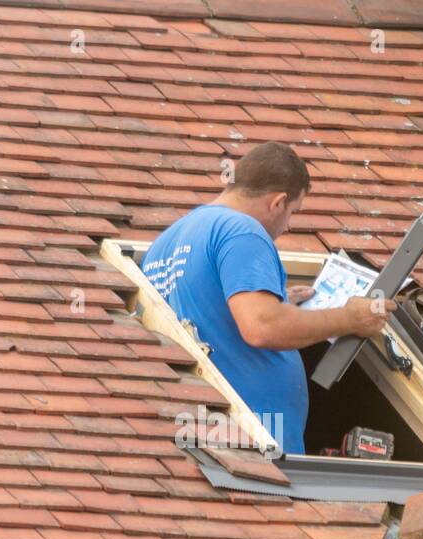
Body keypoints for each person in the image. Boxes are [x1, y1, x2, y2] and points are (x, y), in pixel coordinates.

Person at [142, 142, 389, 455]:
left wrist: (274, 300)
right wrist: (349, 318)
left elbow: (205, 313)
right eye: (292, 213)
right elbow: (262, 327)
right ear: (278, 202)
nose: (287, 227)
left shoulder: (166, 243)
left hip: (209, 437)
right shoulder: (242, 230)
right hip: (251, 446)